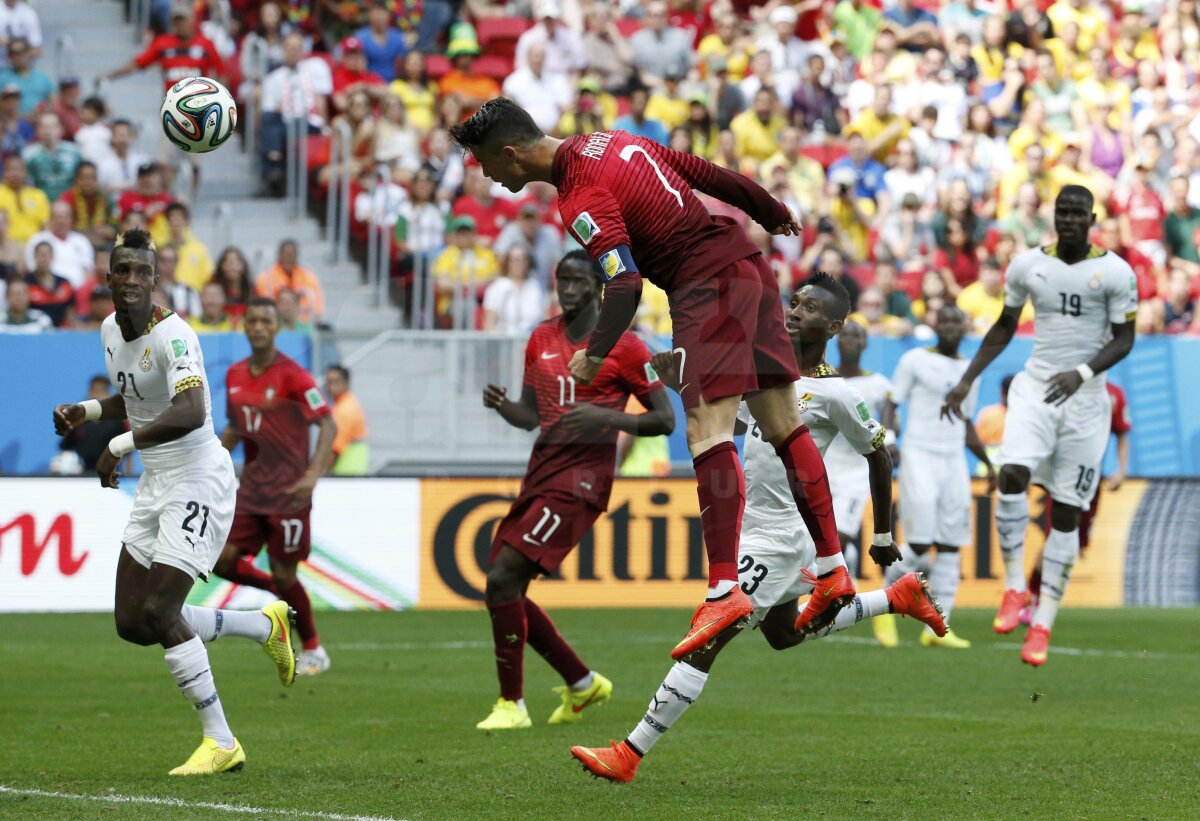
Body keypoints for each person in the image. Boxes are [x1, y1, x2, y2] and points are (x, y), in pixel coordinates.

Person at [450, 98, 856, 665]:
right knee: (784, 423)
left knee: (706, 433)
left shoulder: (579, 194)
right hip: (747, 267)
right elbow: (705, 173)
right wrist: (766, 209)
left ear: (510, 153)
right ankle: (835, 568)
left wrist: (593, 356)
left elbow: (624, 286)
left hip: (703, 284)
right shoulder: (611, 140)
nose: (489, 177)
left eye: (487, 165)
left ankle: (722, 590)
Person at [570, 275, 940, 782]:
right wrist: (683, 387)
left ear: (833, 326)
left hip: (783, 535)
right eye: (795, 301)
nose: (795, 311)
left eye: (810, 308)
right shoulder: (766, 374)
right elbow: (731, 426)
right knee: (783, 634)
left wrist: (881, 534)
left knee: (708, 637)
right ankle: (896, 599)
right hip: (757, 526)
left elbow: (879, 454)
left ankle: (630, 753)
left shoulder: (835, 393)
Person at [50, 229, 296, 776]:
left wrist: (116, 445)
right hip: (156, 483)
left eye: (142, 271)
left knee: (161, 610)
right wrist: (86, 411)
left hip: (197, 478)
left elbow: (188, 411)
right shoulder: (110, 328)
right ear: (108, 278)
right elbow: (134, 396)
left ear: (156, 279)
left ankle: (222, 740)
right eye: (122, 271)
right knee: (132, 622)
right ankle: (263, 626)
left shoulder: (176, 335)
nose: (132, 280)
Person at [475, 250, 675, 730]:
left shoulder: (626, 348)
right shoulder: (540, 337)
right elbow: (532, 415)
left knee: (502, 578)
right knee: (508, 587)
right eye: (561, 280)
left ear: (599, 289)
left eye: (578, 281)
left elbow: (664, 419)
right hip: (542, 471)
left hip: (582, 481)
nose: (567, 289)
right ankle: (583, 684)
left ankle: (512, 705)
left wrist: (606, 416)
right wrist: (504, 408)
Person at [942, 186, 1138, 666]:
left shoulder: (1114, 271)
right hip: (1036, 389)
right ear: (1054, 217)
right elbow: (1005, 325)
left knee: (1066, 513)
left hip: (1087, 403)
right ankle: (1012, 588)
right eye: (1062, 212)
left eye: (1078, 212)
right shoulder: (1029, 265)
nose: (1069, 219)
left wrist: (1085, 373)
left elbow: (1126, 337)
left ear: (1091, 218)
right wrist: (968, 379)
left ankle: (1043, 622)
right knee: (1010, 475)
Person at [214, 297, 337, 676]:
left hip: (288, 495)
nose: (258, 326)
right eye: (252, 320)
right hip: (251, 491)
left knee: (287, 574)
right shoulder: (234, 375)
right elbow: (236, 427)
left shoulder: (294, 376)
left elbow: (328, 424)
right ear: (245, 326)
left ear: (276, 327)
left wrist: (312, 476)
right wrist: (211, 461)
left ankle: (314, 649)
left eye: (266, 320)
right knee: (222, 560)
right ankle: (282, 596)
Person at [878, 305, 995, 650]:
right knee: (918, 541)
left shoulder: (968, 370)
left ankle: (938, 628)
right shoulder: (914, 360)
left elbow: (966, 421)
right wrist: (890, 442)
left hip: (953, 459)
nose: (948, 326)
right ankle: (885, 605)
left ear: (965, 328)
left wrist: (989, 464)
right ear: (935, 324)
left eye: (955, 322)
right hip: (918, 454)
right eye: (943, 320)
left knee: (950, 544)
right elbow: (892, 404)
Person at [1022, 380, 1133, 625]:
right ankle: (1032, 596)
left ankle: (1042, 597)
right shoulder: (1068, 384)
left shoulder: (1113, 394)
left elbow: (1122, 432)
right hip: (1061, 475)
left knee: (1075, 543)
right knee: (1056, 537)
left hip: (1090, 480)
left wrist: (1122, 471)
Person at [823, 320, 892, 582]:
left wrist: (891, 443)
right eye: (845, 335)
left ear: (865, 343)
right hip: (824, 466)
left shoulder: (878, 384)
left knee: (839, 538)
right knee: (819, 540)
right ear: (837, 341)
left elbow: (888, 423)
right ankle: (846, 567)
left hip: (856, 471)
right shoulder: (824, 380)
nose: (850, 340)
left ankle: (835, 585)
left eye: (856, 335)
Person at [58, 375, 129, 473]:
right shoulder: (78, 421)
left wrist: (130, 477)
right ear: (89, 393)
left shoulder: (119, 421)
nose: (96, 396)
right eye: (94, 391)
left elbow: (128, 453)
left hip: (110, 476)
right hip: (83, 477)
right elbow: (65, 448)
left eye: (100, 392)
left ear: (108, 394)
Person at [255, 240, 324, 326]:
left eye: (292, 254)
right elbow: (263, 305)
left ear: (297, 256)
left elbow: (316, 307)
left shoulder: (309, 277)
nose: (288, 257)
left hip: (304, 324)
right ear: (279, 255)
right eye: (285, 254)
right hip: (274, 324)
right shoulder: (265, 278)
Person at [21, 111, 80, 202]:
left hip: (69, 204)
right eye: (44, 127)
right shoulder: (28, 154)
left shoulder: (74, 151)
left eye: (52, 127)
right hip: (40, 204)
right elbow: (26, 184)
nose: (48, 131)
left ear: (61, 129)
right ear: (37, 130)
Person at [325, 364, 369, 475]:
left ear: (346, 383)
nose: (331, 387)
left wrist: (320, 475)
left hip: (346, 472)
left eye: (336, 382)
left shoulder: (343, 410)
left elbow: (335, 450)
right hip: (354, 470)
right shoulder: (350, 403)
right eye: (328, 382)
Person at [0, 153, 49, 244]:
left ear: (25, 172)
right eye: (10, 170)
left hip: (34, 248)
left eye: (18, 170)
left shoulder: (38, 195)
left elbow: (45, 226)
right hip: (5, 249)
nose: (14, 174)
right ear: (4, 173)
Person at [24, 240, 73, 327]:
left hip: (61, 332)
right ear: (34, 256)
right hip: (35, 330)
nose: (44, 259)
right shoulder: (25, 283)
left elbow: (70, 311)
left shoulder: (64, 283)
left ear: (52, 257)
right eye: (41, 255)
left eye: (47, 255)